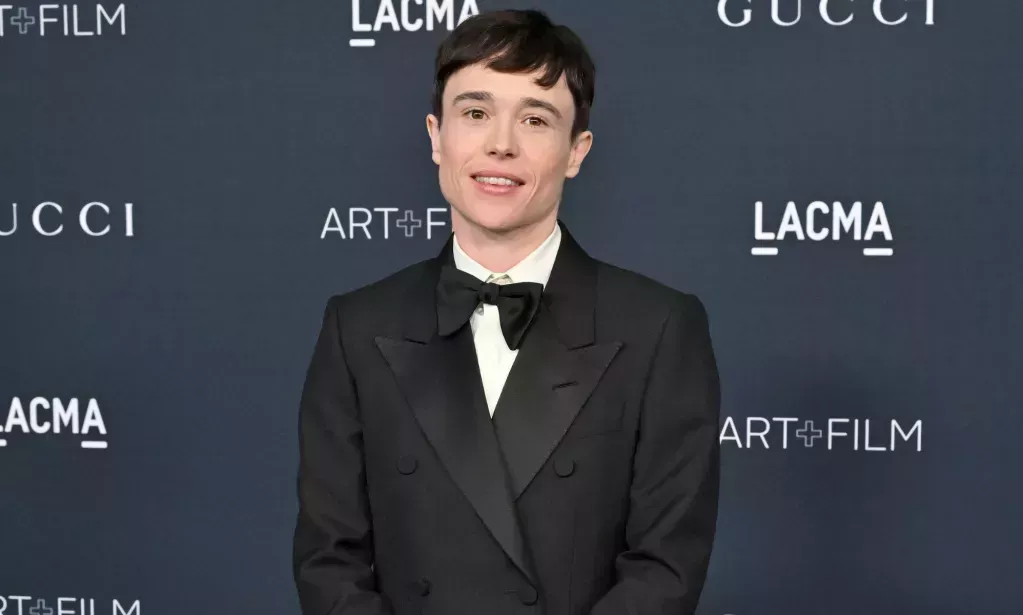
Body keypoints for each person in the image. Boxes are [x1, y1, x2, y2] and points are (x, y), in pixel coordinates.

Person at [293, 9, 720, 615]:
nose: (501, 143)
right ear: (436, 136)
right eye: (475, 113)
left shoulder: (660, 327)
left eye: (536, 119)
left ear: (577, 151)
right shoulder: (357, 327)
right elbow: (327, 561)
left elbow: (665, 570)